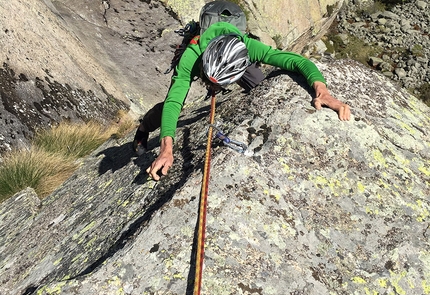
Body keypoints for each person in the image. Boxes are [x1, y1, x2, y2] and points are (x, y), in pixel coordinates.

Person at [134, 21, 351, 181]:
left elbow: (295, 61)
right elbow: (174, 101)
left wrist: (321, 90)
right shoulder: (192, 55)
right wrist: (166, 148)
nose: (214, 88)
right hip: (203, 59)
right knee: (168, 109)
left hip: (232, 59)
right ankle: (144, 127)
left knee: (260, 87)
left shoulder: (249, 48)